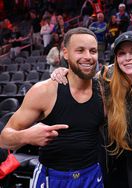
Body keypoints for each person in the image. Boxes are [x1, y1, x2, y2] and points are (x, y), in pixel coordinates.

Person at [51, 31, 132, 188]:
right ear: (116, 58)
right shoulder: (107, 78)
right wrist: (64, 71)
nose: (128, 58)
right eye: (122, 54)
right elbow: (82, 79)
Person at [0, 27, 105, 188]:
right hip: (52, 179)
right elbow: (4, 139)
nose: (88, 57)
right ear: (65, 53)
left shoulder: (105, 90)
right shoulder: (44, 91)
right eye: (80, 50)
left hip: (92, 176)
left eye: (93, 51)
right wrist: (26, 136)